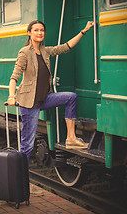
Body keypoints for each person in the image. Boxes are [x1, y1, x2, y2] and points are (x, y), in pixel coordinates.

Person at [8, 20, 94, 165]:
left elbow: (66, 47)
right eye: (36, 30)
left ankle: (71, 138)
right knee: (27, 145)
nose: (39, 33)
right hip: (29, 103)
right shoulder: (24, 52)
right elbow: (14, 76)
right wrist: (11, 96)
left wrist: (83, 31)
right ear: (29, 33)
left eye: (42, 30)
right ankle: (21, 176)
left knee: (71, 97)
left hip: (43, 98)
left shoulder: (45, 51)